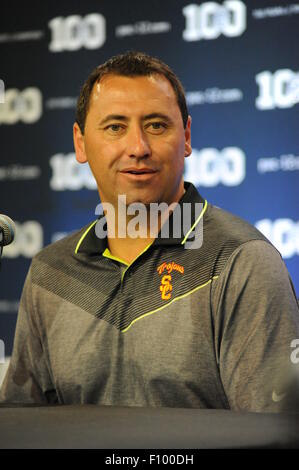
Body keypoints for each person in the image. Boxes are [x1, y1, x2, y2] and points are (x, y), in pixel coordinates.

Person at [0, 51, 298, 411]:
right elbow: (24, 428)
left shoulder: (241, 261)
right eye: (115, 127)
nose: (138, 148)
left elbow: (273, 433)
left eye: (156, 125)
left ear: (186, 136)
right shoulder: (50, 273)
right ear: (80, 143)